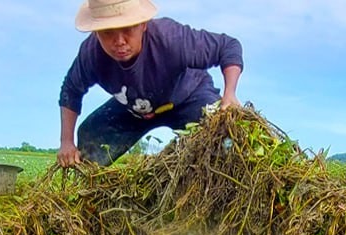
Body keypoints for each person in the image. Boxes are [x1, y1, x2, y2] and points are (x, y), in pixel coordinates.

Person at [58, 0, 243, 167]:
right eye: (108, 33)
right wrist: (66, 141)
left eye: (128, 29)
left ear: (143, 24)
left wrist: (230, 94)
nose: (119, 41)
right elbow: (71, 90)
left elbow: (227, 47)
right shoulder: (91, 54)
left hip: (188, 97)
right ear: (96, 32)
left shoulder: (171, 39)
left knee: (223, 136)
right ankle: (92, 201)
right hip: (135, 107)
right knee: (90, 136)